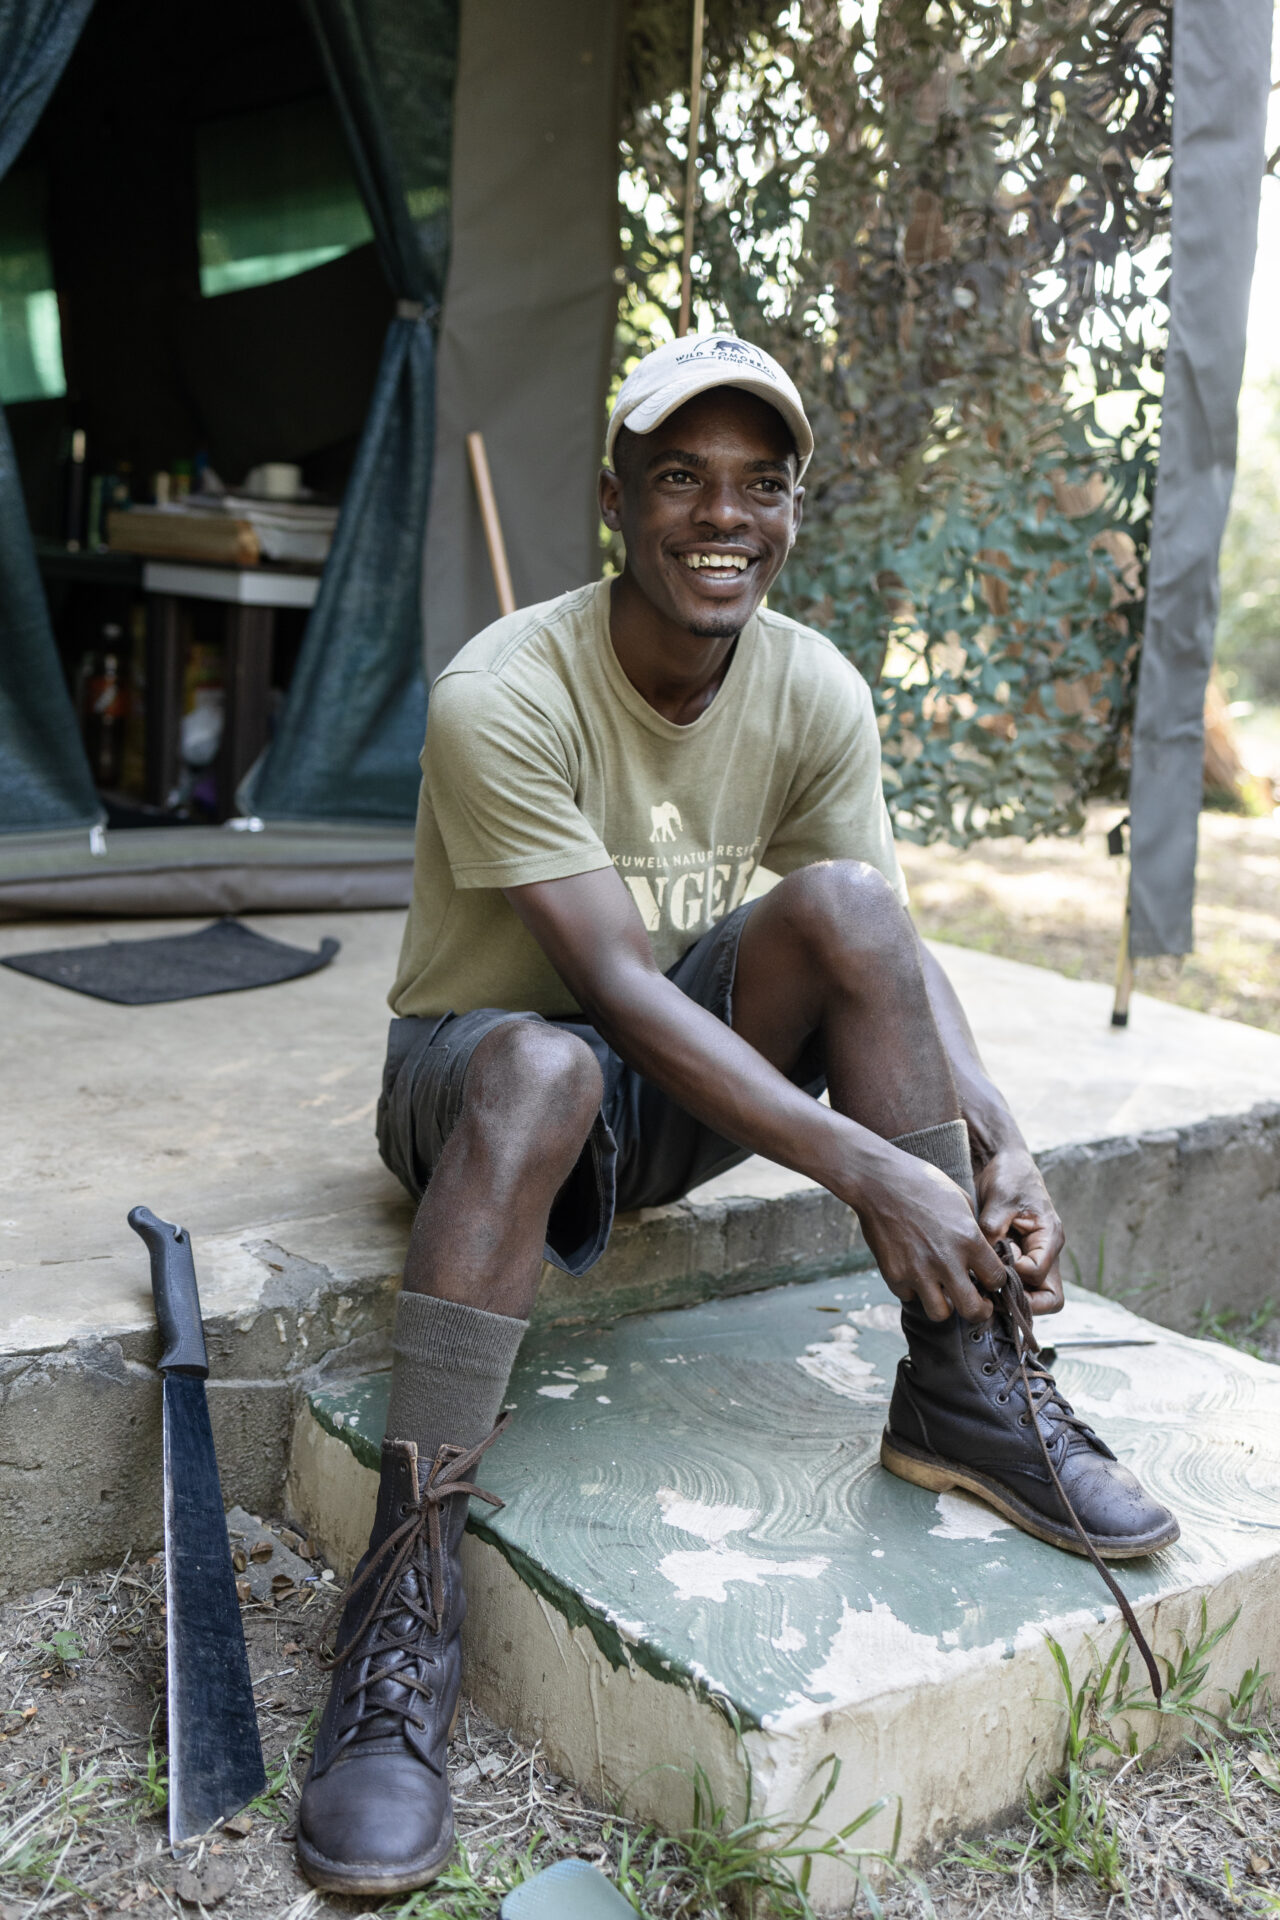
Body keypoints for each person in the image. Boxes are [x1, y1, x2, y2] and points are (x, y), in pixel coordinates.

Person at [296, 333, 1178, 1896]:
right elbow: (617, 997)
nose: (724, 515)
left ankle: (964, 1391)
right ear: (619, 500)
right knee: (551, 1065)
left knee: (840, 903)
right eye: (685, 479)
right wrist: (865, 1173)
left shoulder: (812, 685)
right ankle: (403, 1595)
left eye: (758, 486)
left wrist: (992, 1143)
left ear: (788, 514)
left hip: (660, 1099)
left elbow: (880, 948)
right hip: (481, 1087)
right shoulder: (502, 692)